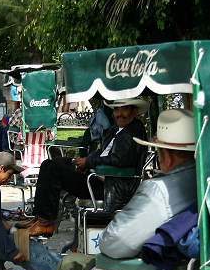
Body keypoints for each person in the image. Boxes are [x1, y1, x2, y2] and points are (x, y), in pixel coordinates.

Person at [31, 109, 198, 270]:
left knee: (72, 265)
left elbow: (113, 243)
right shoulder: (208, 183)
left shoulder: (161, 190)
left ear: (164, 153)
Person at [17, 98, 148, 236]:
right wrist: (82, 162)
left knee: (54, 171)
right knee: (49, 164)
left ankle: (46, 222)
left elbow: (120, 160)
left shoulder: (133, 131)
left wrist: (89, 162)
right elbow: (103, 152)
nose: (119, 113)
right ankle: (39, 217)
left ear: (135, 111)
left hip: (110, 185)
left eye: (124, 109)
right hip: (96, 176)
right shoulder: (116, 129)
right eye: (116, 109)